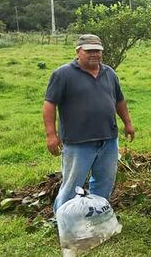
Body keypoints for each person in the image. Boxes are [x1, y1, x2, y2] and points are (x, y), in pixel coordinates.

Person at [43, 34, 135, 212]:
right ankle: (62, 220)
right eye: (89, 51)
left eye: (98, 51)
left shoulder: (109, 73)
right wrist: (51, 135)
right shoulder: (63, 74)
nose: (94, 54)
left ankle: (95, 216)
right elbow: (49, 104)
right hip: (78, 142)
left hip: (108, 139)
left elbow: (119, 101)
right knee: (71, 185)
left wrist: (128, 123)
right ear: (78, 51)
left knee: (104, 182)